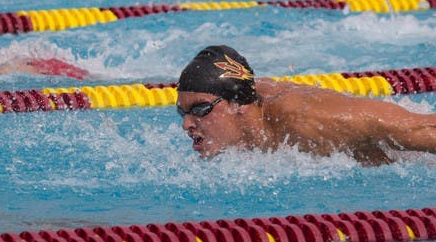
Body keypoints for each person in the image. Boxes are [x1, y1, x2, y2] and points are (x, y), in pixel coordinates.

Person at [177, 45, 436, 165]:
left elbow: (418, 129)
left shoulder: (308, 121)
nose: (187, 124)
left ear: (238, 104)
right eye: (182, 112)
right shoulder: (248, 107)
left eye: (200, 109)